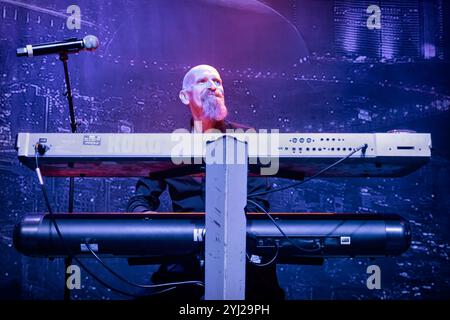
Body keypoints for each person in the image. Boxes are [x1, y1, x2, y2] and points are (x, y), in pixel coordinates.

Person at [127, 64, 284, 300]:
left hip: (243, 257)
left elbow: (257, 203)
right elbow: (139, 201)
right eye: (203, 81)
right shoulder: (171, 144)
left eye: (217, 82)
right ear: (184, 95)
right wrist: (152, 221)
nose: (213, 86)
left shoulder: (248, 137)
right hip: (183, 257)